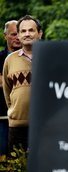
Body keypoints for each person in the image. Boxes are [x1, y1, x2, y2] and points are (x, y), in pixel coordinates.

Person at [2, 15, 43, 153]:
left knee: (45, 168)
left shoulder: (50, 56)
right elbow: (7, 91)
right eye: (23, 31)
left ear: (40, 33)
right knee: (16, 170)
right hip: (17, 126)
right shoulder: (10, 60)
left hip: (45, 125)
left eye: (31, 30)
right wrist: (14, 111)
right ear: (18, 35)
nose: (27, 34)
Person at [0, 20, 21, 155]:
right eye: (13, 34)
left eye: (19, 34)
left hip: (23, 118)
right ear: (5, 36)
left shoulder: (31, 58)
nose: (17, 38)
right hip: (2, 116)